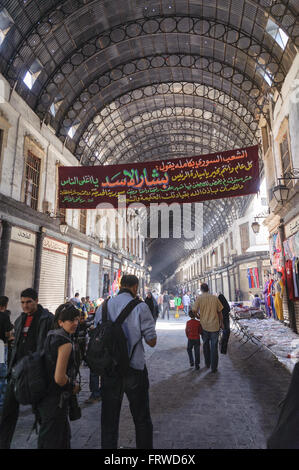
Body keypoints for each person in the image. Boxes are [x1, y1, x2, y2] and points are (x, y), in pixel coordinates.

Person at [94, 274, 157, 449]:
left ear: (121, 285)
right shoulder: (141, 307)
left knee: (109, 420)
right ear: (135, 287)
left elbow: (97, 334)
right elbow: (152, 341)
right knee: (141, 418)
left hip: (110, 370)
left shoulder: (103, 306)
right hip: (134, 369)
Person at [0, 288, 54, 449]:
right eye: (22, 302)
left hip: (37, 373)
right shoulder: (19, 320)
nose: (25, 305)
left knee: (42, 414)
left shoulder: (47, 319)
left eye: (29, 302)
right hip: (17, 372)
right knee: (8, 412)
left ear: (36, 301)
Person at [37, 303, 81, 449]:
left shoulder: (50, 336)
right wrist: (73, 385)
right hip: (56, 401)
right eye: (70, 320)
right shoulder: (65, 343)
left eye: (76, 319)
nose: (75, 323)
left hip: (44, 398)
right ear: (60, 322)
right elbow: (59, 378)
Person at [192, 283, 224, 373]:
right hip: (215, 325)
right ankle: (214, 367)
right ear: (208, 289)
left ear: (201, 289)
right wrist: (221, 323)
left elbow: (193, 311)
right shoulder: (215, 298)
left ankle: (207, 363)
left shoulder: (199, 298)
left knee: (205, 345)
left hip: (204, 325)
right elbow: (220, 312)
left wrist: (198, 316)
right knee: (214, 346)